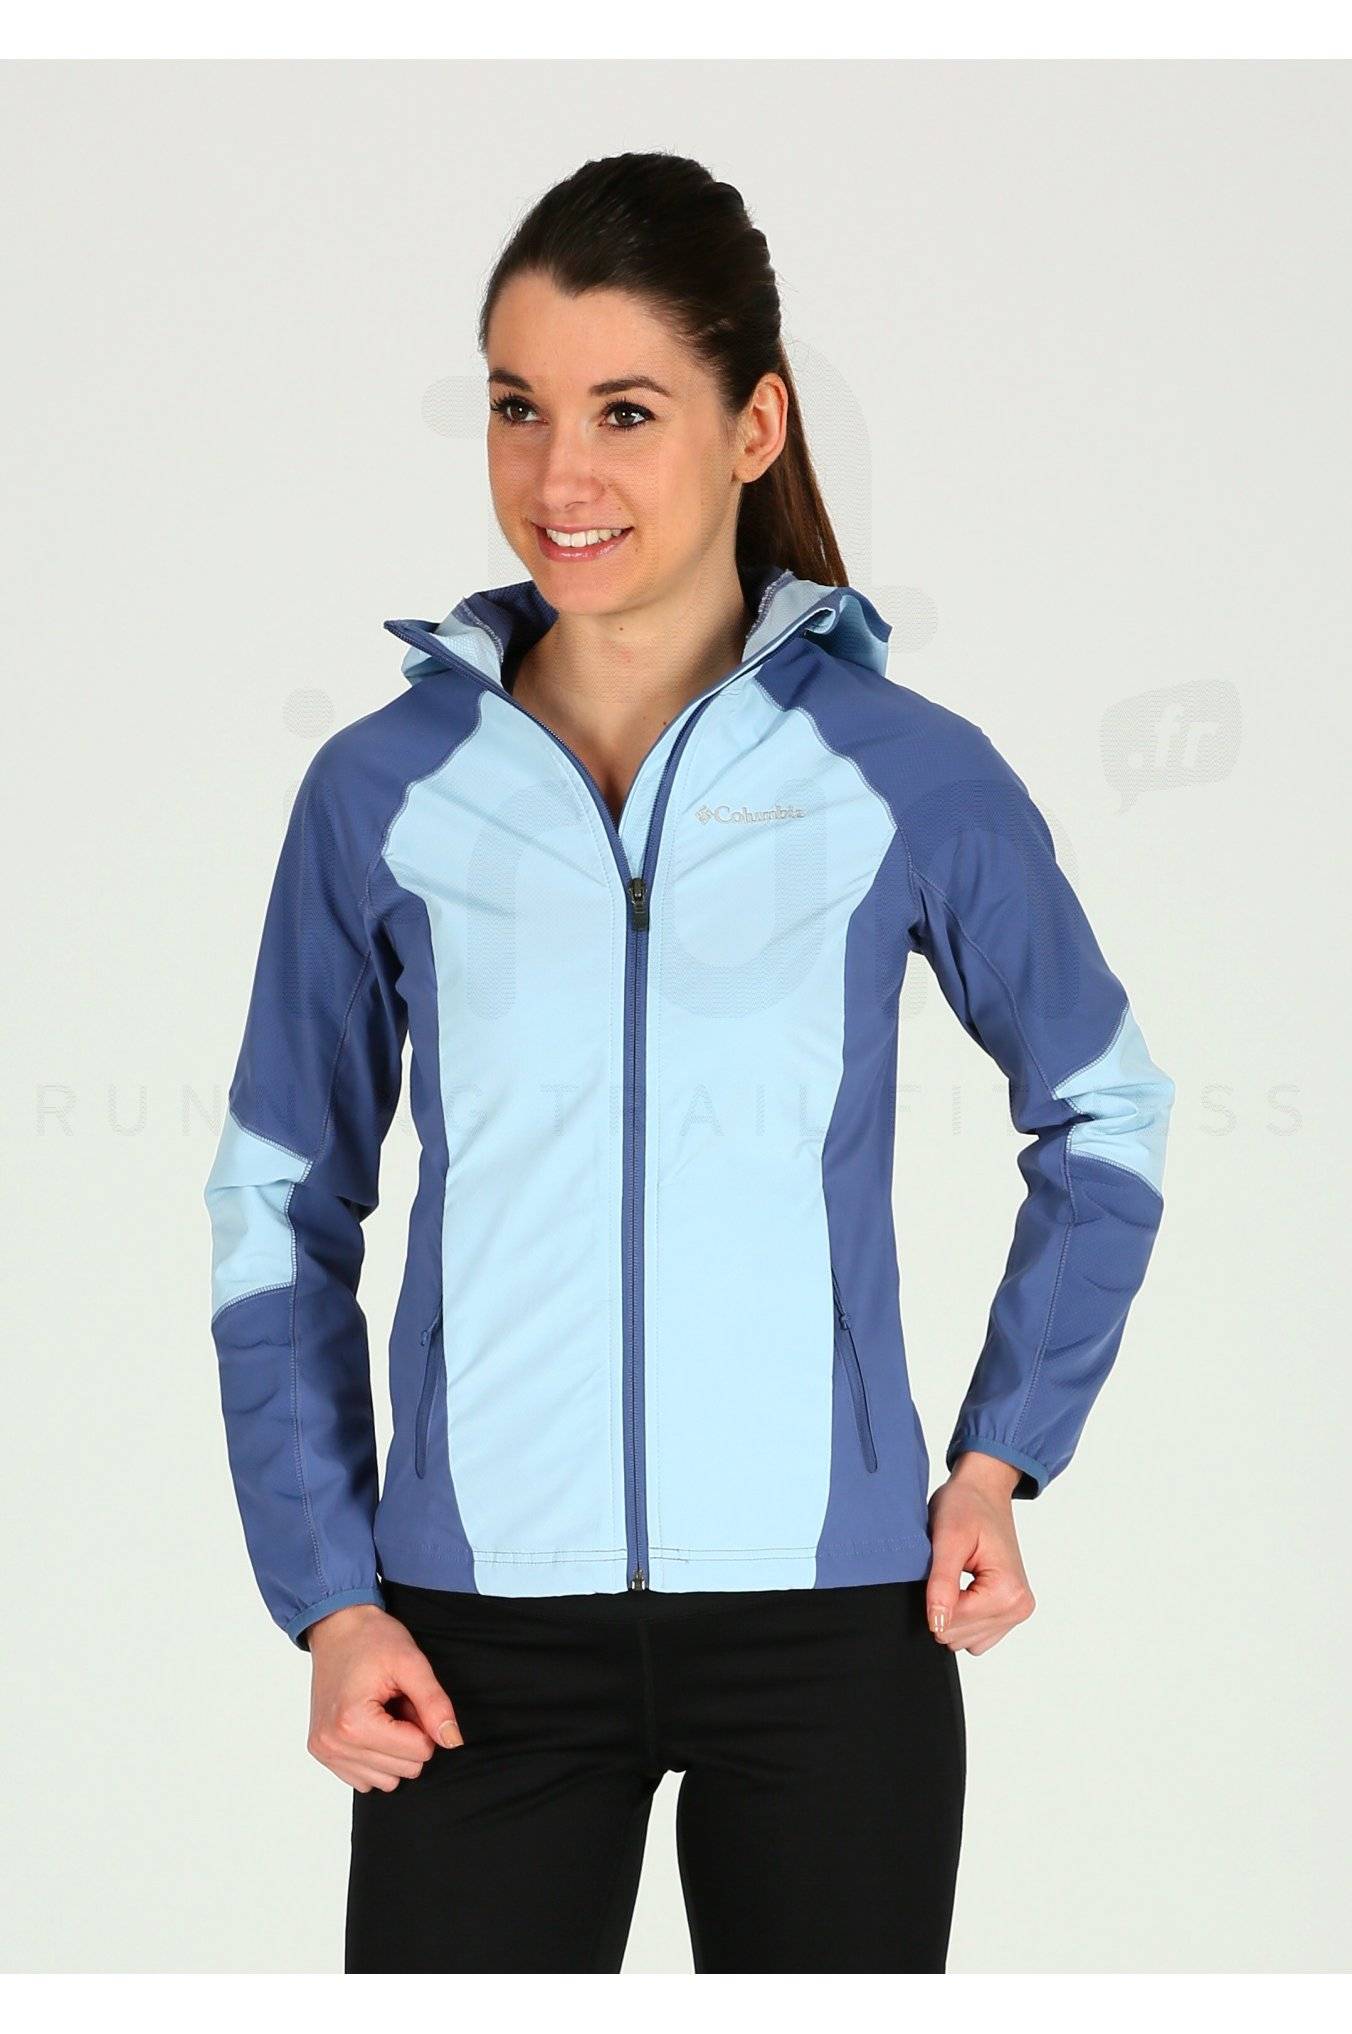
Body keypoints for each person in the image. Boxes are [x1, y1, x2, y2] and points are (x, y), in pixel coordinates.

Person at [202, 151, 1175, 1975]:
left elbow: (1106, 1107)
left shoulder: (906, 769)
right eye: (518, 407)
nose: (558, 476)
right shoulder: (382, 791)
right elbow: (279, 1200)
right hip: (470, 1644)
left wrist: (998, 1460)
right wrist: (329, 1592)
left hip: (833, 1637)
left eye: (626, 411)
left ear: (755, 426)